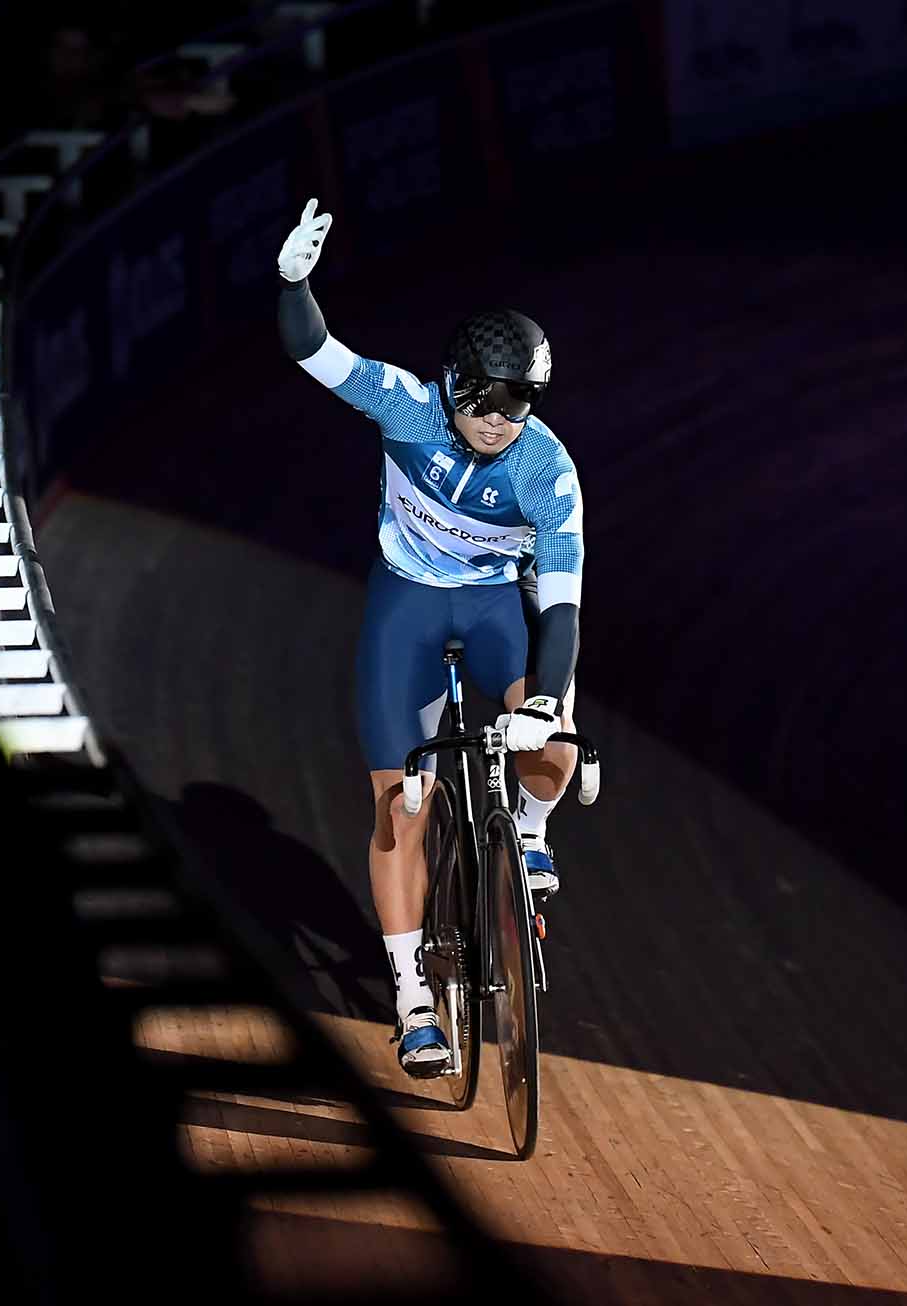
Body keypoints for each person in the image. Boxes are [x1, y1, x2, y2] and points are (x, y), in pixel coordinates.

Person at [273, 199, 586, 1077]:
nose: (498, 417)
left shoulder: (546, 472)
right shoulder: (407, 409)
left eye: (520, 400)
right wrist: (295, 284)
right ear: (450, 384)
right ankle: (413, 1000)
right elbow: (314, 353)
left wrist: (546, 706)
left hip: (493, 609)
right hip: (406, 608)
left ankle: (528, 827)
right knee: (401, 809)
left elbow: (560, 607)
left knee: (554, 744)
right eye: (484, 398)